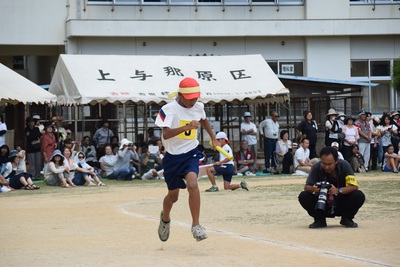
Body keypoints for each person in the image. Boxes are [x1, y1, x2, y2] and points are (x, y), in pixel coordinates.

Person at [154, 77, 219, 242]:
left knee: (192, 184)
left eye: (196, 97)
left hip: (191, 152)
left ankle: (196, 225)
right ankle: (165, 218)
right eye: (190, 98)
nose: (194, 101)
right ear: (180, 95)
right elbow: (166, 134)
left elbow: (204, 119)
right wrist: (186, 127)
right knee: (173, 197)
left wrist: (213, 137)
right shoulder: (169, 109)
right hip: (172, 158)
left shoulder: (198, 106)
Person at [298, 146, 365, 228]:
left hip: (341, 202)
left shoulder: (344, 165)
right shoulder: (316, 167)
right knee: (304, 196)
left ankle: (347, 218)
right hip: (322, 203)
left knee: (358, 195)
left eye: (329, 164)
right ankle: (319, 220)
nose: (326, 167)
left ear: (336, 161)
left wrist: (338, 190)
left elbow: (354, 187)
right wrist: (313, 189)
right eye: (323, 163)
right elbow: (307, 187)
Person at [24, 116, 42, 180]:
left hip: (37, 147)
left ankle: (38, 176)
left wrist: (33, 136)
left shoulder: (36, 129)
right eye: (31, 122)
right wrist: (34, 136)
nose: (32, 123)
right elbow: (30, 137)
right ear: (28, 123)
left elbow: (38, 135)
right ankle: (33, 176)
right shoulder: (26, 129)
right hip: (30, 148)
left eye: (33, 121)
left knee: (38, 163)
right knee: (32, 163)